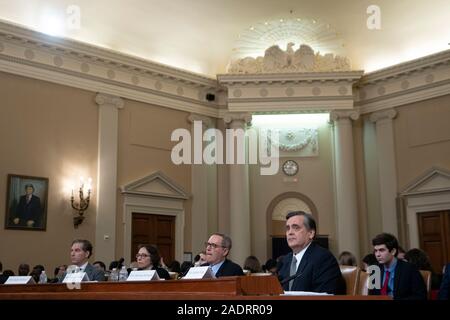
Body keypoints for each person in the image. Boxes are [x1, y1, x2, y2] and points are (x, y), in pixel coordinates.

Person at [278, 211, 343, 294]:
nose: (290, 232)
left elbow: (325, 295)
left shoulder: (323, 258)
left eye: (296, 227)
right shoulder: (285, 260)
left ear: (311, 233)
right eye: (288, 228)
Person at [369, 233, 426, 300]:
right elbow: (372, 296)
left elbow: (420, 296)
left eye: (382, 250)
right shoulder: (375, 270)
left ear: (393, 251)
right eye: (376, 251)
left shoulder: (409, 269)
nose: (377, 254)